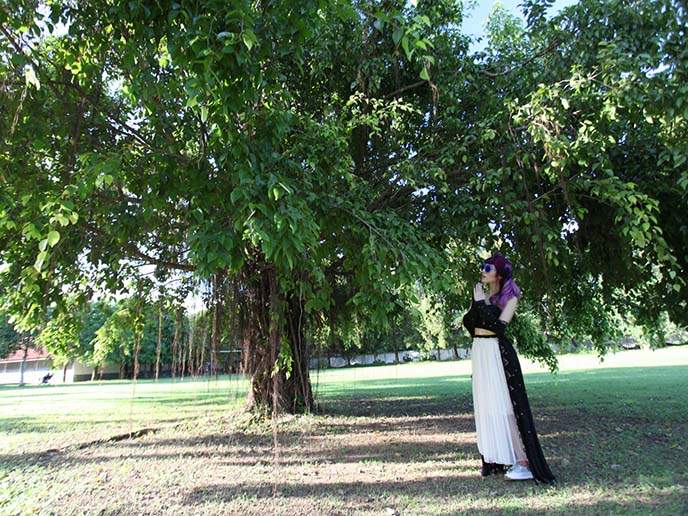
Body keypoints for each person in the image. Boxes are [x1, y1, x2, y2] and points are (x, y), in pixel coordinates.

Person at [462, 253, 556, 485]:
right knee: (488, 405)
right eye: (483, 267)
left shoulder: (510, 296)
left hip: (497, 353)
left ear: (499, 274)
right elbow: (470, 324)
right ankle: (498, 456)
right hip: (480, 352)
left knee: (506, 405)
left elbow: (499, 327)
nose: (482, 271)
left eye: (487, 267)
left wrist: (481, 303)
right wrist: (477, 302)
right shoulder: (482, 294)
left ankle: (524, 461)